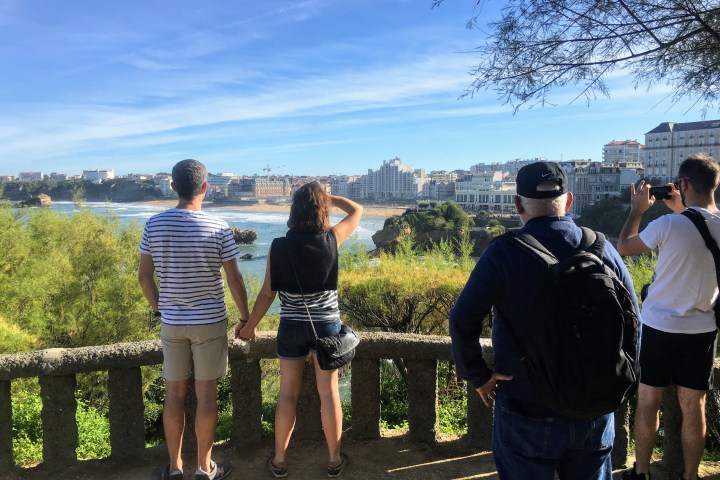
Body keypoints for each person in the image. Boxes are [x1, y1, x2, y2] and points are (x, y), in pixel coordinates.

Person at [449, 161, 639, 480]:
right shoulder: (604, 250)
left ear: (518, 203)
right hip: (594, 408)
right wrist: (620, 383)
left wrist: (478, 375)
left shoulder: (503, 253)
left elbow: (462, 319)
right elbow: (634, 323)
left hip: (526, 406)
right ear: (568, 201)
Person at [236, 182, 362, 478]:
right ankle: (333, 460)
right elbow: (357, 210)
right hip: (327, 327)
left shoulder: (278, 246)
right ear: (322, 210)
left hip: (291, 325)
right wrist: (325, 198)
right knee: (329, 395)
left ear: (293, 210)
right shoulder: (331, 239)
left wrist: (249, 327)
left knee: (287, 395)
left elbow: (267, 294)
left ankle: (279, 460)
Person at [138, 159, 250, 480]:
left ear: (173, 187)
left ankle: (175, 468)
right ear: (205, 187)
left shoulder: (154, 225)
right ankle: (204, 467)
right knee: (206, 395)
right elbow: (235, 280)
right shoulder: (218, 226)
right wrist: (245, 317)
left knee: (173, 394)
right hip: (210, 323)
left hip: (172, 324)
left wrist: (161, 308)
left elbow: (145, 277)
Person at [617, 154, 720, 480]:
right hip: (703, 328)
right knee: (695, 407)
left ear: (684, 183)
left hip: (660, 326)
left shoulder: (668, 225)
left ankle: (642, 472)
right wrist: (681, 209)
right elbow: (699, 230)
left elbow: (624, 247)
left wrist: (637, 208)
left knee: (648, 402)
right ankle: (690, 476)